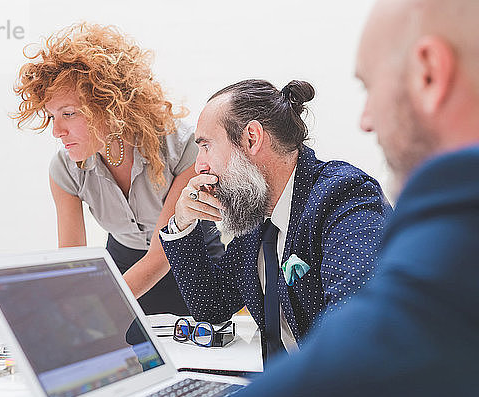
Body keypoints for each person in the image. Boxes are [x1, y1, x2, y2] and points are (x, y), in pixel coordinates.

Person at [227, 0, 479, 397]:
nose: (365, 119)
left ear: (429, 73)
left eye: (370, 86)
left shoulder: (444, 226)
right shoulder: (253, 220)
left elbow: (372, 348)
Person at [159, 79, 391, 361]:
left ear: (252, 138)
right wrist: (181, 223)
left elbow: (356, 331)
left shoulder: (343, 195)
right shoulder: (256, 219)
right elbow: (213, 306)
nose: (199, 166)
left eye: (206, 146)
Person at [12, 22, 224, 315]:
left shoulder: (185, 147)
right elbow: (72, 259)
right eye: (52, 116)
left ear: (109, 106)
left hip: (191, 267)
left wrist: (101, 305)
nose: (57, 131)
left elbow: (161, 255)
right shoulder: (64, 169)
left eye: (69, 114)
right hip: (124, 268)